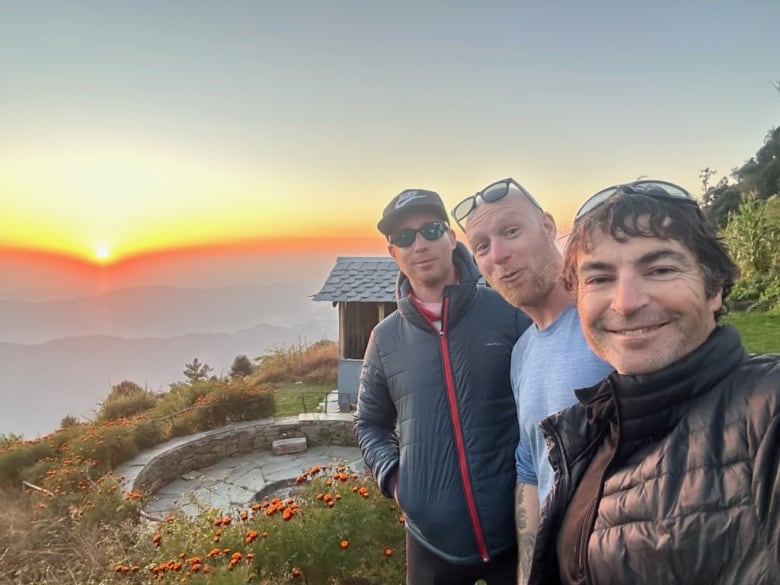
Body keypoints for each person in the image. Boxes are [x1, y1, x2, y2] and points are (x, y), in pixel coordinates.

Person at [527, 179, 780, 585]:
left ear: (713, 287)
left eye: (660, 269)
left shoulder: (768, 412)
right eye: (600, 278)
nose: (626, 303)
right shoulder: (594, 427)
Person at [355, 188, 531, 585]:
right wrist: (396, 480)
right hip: (429, 543)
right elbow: (368, 423)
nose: (419, 244)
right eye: (404, 237)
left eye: (431, 229)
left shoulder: (509, 313)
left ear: (452, 238)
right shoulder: (384, 339)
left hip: (518, 532)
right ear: (392, 252)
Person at [452, 178, 613, 582]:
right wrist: (528, 574)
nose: (499, 256)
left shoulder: (613, 323)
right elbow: (530, 464)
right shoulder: (522, 353)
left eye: (510, 231)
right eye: (482, 247)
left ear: (546, 226)